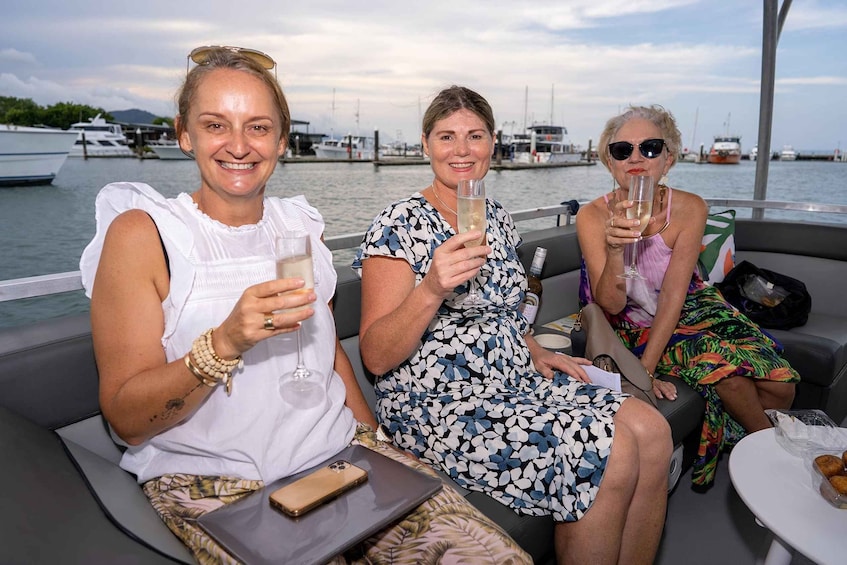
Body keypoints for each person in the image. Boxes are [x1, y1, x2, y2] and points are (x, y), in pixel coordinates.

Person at [79, 48, 529, 564]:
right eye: (215, 125)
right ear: (185, 134)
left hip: (337, 456)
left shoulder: (300, 228)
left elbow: (326, 348)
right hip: (217, 480)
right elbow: (128, 421)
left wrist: (375, 440)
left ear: (281, 140)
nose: (239, 146)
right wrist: (225, 343)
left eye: (258, 127)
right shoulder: (145, 233)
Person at [354, 85, 672, 564]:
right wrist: (431, 289)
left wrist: (531, 346)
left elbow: (500, 309)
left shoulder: (496, 217)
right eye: (446, 137)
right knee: (614, 450)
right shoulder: (398, 224)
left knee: (651, 429)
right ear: (425, 145)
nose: (461, 150)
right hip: (440, 402)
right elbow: (375, 355)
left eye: (474, 136)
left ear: (493, 143)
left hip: (513, 377)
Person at [576, 104, 799, 487]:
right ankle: (778, 470)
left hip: (692, 306)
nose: (635, 158)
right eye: (621, 150)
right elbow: (610, 305)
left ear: (668, 159)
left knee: (782, 386)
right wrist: (615, 251)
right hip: (630, 321)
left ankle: (747, 441)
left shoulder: (690, 208)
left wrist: (647, 366)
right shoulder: (592, 217)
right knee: (729, 378)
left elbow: (675, 296)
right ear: (609, 163)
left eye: (649, 148)